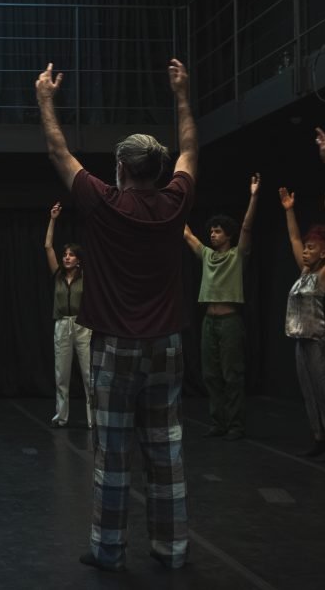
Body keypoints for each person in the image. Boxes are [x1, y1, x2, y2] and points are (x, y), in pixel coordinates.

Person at [36, 59, 197, 571]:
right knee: (165, 448)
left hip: (113, 344)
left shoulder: (104, 203)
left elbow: (58, 151)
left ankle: (109, 549)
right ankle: (171, 549)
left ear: (122, 169)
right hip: (167, 343)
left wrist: (44, 98)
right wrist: (181, 94)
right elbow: (191, 149)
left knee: (113, 452)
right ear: (160, 170)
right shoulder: (175, 202)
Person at [183, 174, 260, 441]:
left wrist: (253, 196)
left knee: (232, 374)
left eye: (217, 231)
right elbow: (187, 234)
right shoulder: (206, 255)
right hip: (209, 321)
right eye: (212, 231)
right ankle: (219, 421)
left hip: (229, 321)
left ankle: (236, 425)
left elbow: (247, 228)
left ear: (228, 235)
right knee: (211, 375)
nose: (213, 234)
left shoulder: (236, 255)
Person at [279, 183, 325, 461]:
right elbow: (294, 240)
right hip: (300, 341)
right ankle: (318, 437)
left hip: (320, 341)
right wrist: (289, 211)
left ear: (322, 252)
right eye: (305, 247)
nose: (305, 251)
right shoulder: (304, 272)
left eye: (311, 248)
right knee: (309, 392)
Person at [43, 201, 92, 429]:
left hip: (83, 325)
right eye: (65, 255)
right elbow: (47, 247)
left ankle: (94, 418)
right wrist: (53, 219)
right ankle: (61, 416)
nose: (67, 258)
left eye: (71, 255)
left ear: (79, 259)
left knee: (88, 374)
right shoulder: (58, 275)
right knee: (61, 374)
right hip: (62, 324)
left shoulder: (86, 277)